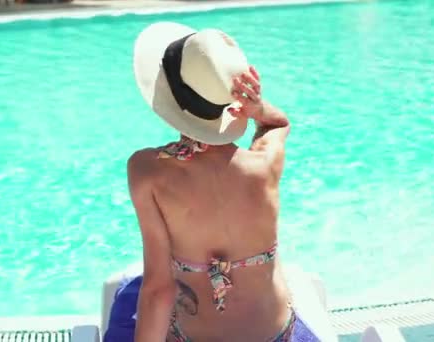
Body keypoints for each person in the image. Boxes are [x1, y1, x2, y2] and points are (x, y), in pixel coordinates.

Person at [113, 22, 322, 342]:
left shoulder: (148, 171)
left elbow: (159, 289)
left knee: (130, 292)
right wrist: (257, 108)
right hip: (278, 335)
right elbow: (278, 125)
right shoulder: (263, 164)